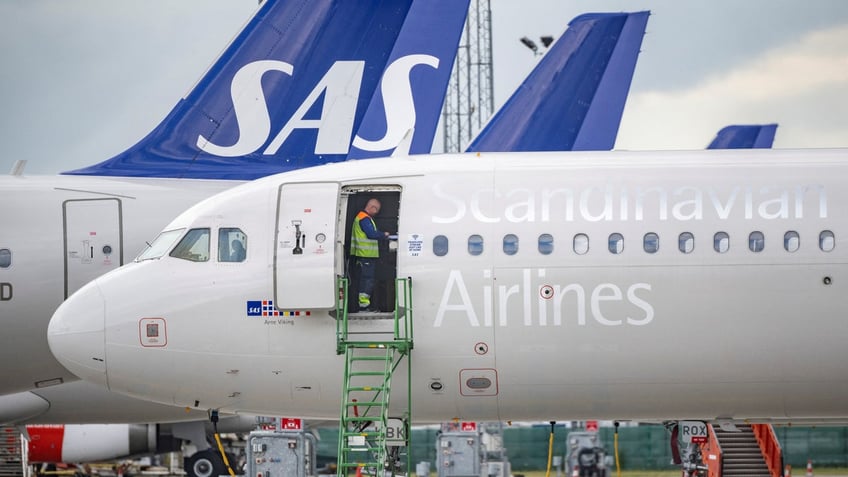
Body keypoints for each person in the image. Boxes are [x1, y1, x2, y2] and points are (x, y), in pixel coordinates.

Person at [350, 198, 392, 312]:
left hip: (363, 255)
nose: (377, 212)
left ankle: (363, 305)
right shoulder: (364, 218)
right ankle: (363, 306)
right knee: (367, 281)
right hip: (366, 256)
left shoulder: (362, 217)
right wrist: (384, 234)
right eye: (377, 210)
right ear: (372, 207)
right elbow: (371, 234)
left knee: (365, 280)